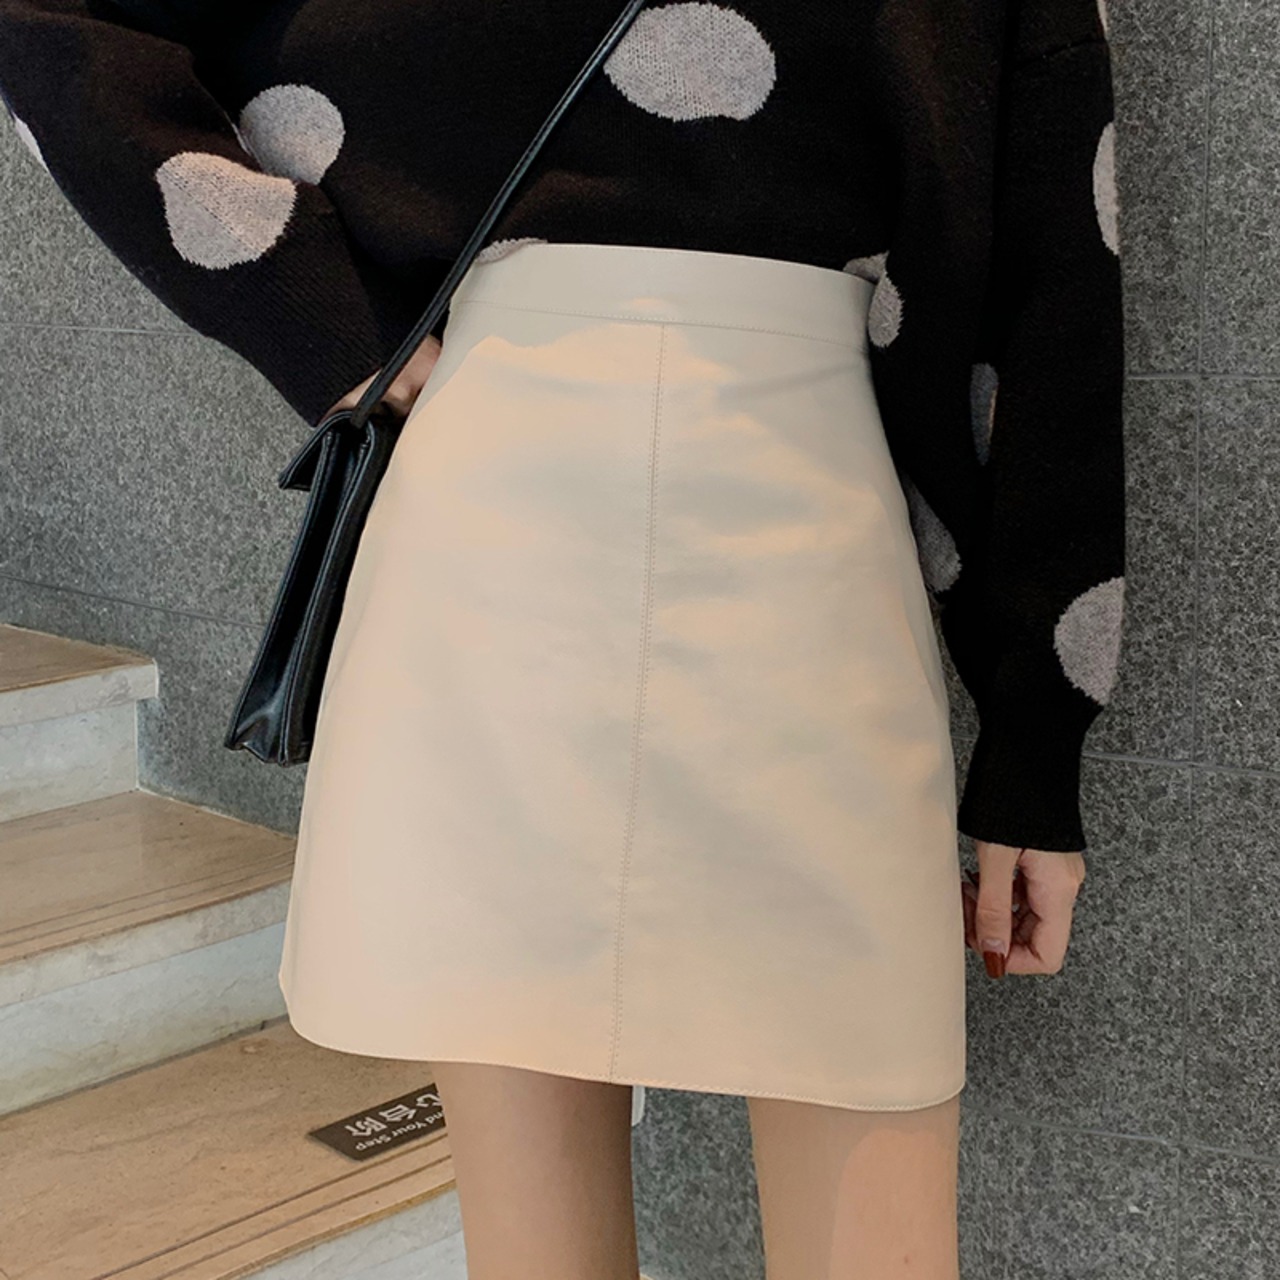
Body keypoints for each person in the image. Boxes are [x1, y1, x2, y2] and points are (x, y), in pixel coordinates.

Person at [0, 0, 1124, 1274]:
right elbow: (1052, 293)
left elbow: (1055, 280)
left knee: (795, 1166)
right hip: (605, 493)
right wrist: (315, 317)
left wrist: (1036, 745)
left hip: (688, 505)